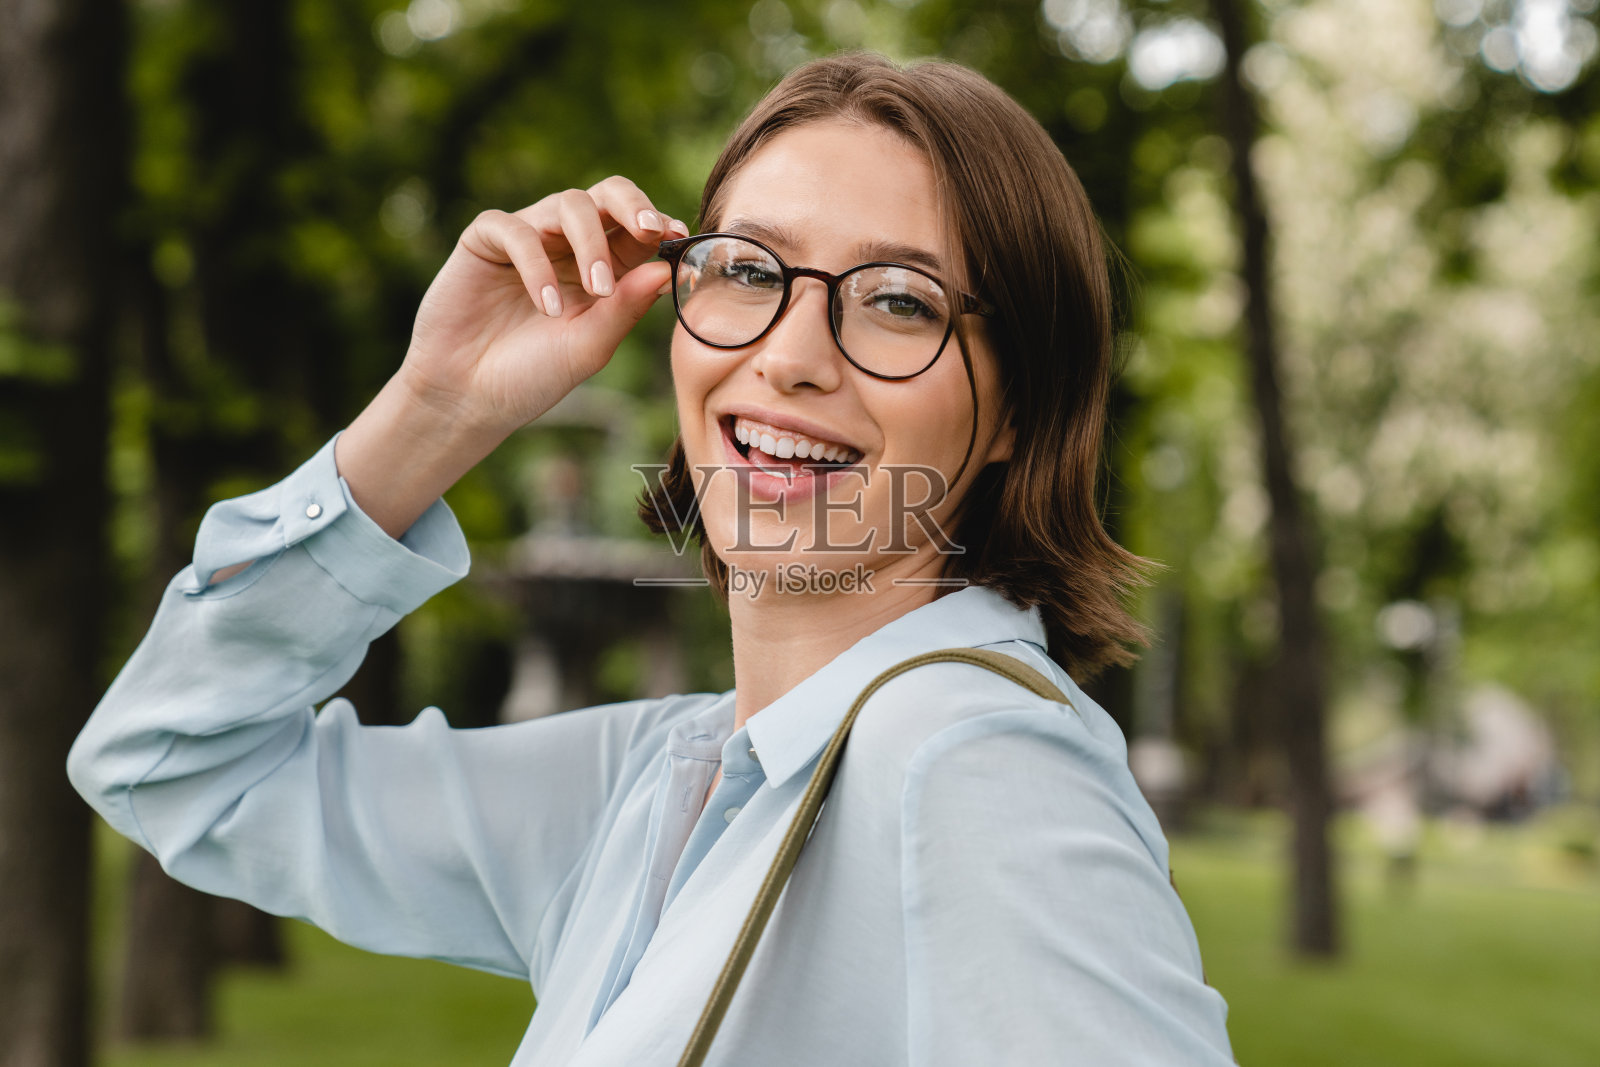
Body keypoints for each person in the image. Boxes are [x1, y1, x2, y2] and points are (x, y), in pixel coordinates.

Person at [69, 53, 1235, 1065]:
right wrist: (436, 407)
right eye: (746, 269)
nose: (788, 356)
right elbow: (172, 764)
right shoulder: (657, 780)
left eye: (895, 300)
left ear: (1018, 410)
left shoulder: (973, 766)